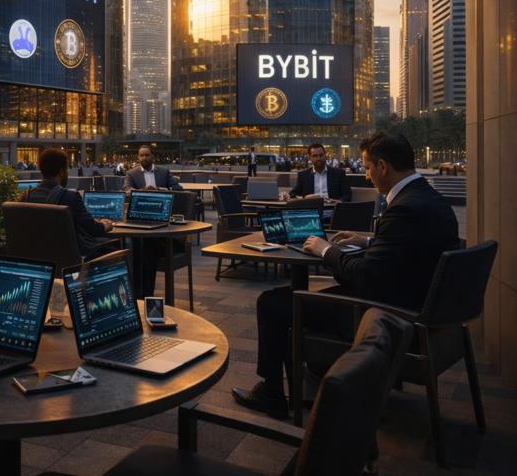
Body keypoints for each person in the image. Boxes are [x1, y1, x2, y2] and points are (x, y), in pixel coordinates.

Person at [232, 130, 459, 419]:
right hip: (415, 306)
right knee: (296, 297)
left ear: (383, 166)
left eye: (367, 168)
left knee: (271, 303)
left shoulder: (403, 209)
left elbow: (365, 274)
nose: (366, 175)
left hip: (385, 316)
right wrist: (368, 241)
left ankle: (272, 394)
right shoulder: (431, 199)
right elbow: (412, 247)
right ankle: (315, 379)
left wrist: (325, 249)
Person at [21, 148, 114, 257]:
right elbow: (93, 229)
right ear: (61, 172)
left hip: (37, 260)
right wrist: (105, 223)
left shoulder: (25, 197)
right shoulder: (70, 197)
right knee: (115, 250)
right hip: (71, 260)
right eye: (66, 170)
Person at [122, 146, 184, 297]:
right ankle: (141, 295)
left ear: (152, 156)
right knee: (145, 251)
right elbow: (126, 190)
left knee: (144, 252)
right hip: (141, 217)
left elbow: (178, 188)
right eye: (141, 156)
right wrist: (141, 192)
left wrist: (158, 190)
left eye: (147, 155)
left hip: (161, 217)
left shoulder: (164, 171)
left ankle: (140, 295)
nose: (144, 158)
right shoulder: (131, 173)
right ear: (138, 157)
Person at [289, 142, 352, 217]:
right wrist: (304, 199)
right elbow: (292, 195)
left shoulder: (338, 174)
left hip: (334, 213)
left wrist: (335, 202)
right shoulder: (303, 175)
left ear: (325, 156)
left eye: (321, 155)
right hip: (312, 215)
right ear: (309, 158)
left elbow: (347, 195)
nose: (318, 158)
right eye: (315, 156)